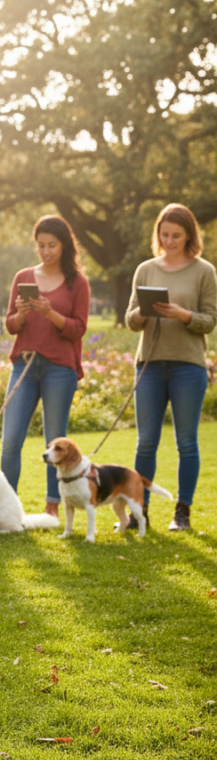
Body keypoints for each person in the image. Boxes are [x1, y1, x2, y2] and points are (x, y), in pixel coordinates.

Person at [125, 203, 216, 531]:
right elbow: (130, 318)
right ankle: (140, 511)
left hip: (187, 367)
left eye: (176, 235)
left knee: (186, 442)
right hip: (149, 366)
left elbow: (210, 320)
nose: (170, 240)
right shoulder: (146, 269)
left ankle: (182, 512)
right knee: (146, 441)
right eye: (164, 234)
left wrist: (182, 314)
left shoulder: (204, 270)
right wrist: (144, 314)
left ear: (189, 234)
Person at [1, 215, 90, 516]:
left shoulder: (77, 282)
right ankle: (7, 506)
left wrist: (51, 314)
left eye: (52, 245)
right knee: (11, 439)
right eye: (40, 245)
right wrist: (23, 314)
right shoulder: (23, 276)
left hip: (59, 369)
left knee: (56, 442)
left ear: (64, 245)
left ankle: (53, 507)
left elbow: (78, 328)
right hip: (24, 366)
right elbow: (11, 326)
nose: (46, 251)